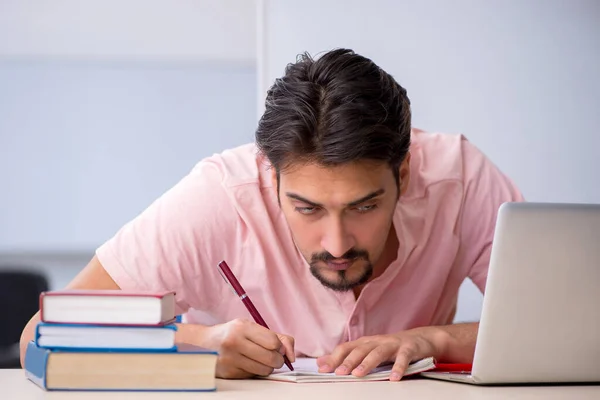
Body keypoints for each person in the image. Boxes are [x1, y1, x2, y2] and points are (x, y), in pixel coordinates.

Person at [20, 48, 523, 381]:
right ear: (271, 176)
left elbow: (578, 326)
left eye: (364, 206)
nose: (337, 243)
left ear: (405, 176)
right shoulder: (216, 198)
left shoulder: (460, 181)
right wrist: (196, 346)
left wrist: (435, 339)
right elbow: (40, 337)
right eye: (306, 208)